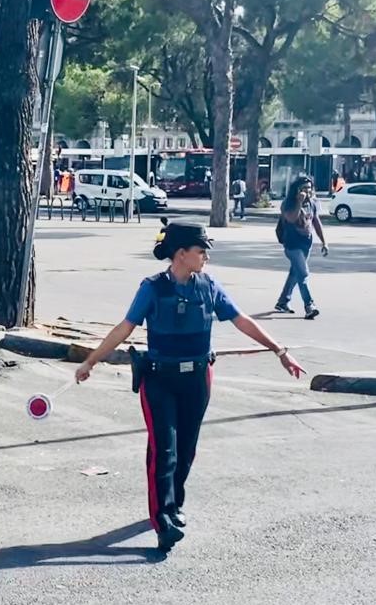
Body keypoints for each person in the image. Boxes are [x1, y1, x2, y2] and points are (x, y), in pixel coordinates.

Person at [75, 220, 305, 553]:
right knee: (164, 450)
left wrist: (279, 350)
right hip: (159, 379)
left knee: (186, 450)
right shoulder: (152, 288)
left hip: (197, 378)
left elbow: (242, 320)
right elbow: (125, 327)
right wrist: (91, 361)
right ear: (181, 254)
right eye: (201, 251)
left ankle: (174, 502)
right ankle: (163, 520)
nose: (206, 257)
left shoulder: (209, 286)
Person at [275, 175, 328, 319]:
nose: (307, 192)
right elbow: (291, 218)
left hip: (306, 243)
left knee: (295, 273)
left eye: (309, 189)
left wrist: (324, 241)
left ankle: (282, 302)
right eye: (304, 189)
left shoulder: (313, 203)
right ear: (297, 190)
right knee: (303, 274)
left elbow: (316, 222)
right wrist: (299, 202)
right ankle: (309, 306)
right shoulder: (289, 203)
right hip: (292, 244)